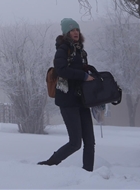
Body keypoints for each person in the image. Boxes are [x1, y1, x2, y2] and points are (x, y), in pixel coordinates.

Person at [38, 17, 95, 170]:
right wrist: (83, 76)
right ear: (66, 33)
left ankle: (88, 173)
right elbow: (61, 70)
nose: (75, 32)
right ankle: (50, 164)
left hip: (82, 99)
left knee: (90, 142)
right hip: (68, 100)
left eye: (77, 29)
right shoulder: (63, 49)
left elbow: (81, 71)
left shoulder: (81, 51)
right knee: (75, 143)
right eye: (71, 30)